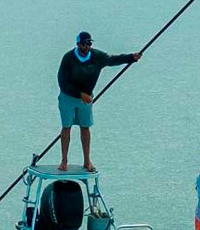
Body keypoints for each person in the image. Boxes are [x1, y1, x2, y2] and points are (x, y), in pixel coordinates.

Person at [56, 31, 142, 172]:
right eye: (84, 44)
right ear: (78, 44)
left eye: (89, 44)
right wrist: (80, 94)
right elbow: (62, 82)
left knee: (85, 127)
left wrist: (131, 58)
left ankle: (87, 161)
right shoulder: (68, 58)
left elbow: (112, 60)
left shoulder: (97, 56)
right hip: (68, 97)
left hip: (86, 100)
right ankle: (64, 161)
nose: (86, 47)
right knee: (66, 127)